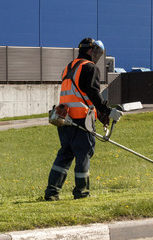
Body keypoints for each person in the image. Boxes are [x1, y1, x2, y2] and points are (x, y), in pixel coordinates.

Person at [44, 37, 123, 201]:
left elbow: (81, 94)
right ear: (90, 51)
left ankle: (52, 192)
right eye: (97, 52)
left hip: (64, 119)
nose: (97, 56)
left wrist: (100, 114)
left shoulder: (69, 68)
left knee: (64, 155)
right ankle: (82, 192)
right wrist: (107, 111)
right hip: (81, 120)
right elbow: (93, 93)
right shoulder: (89, 67)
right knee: (83, 156)